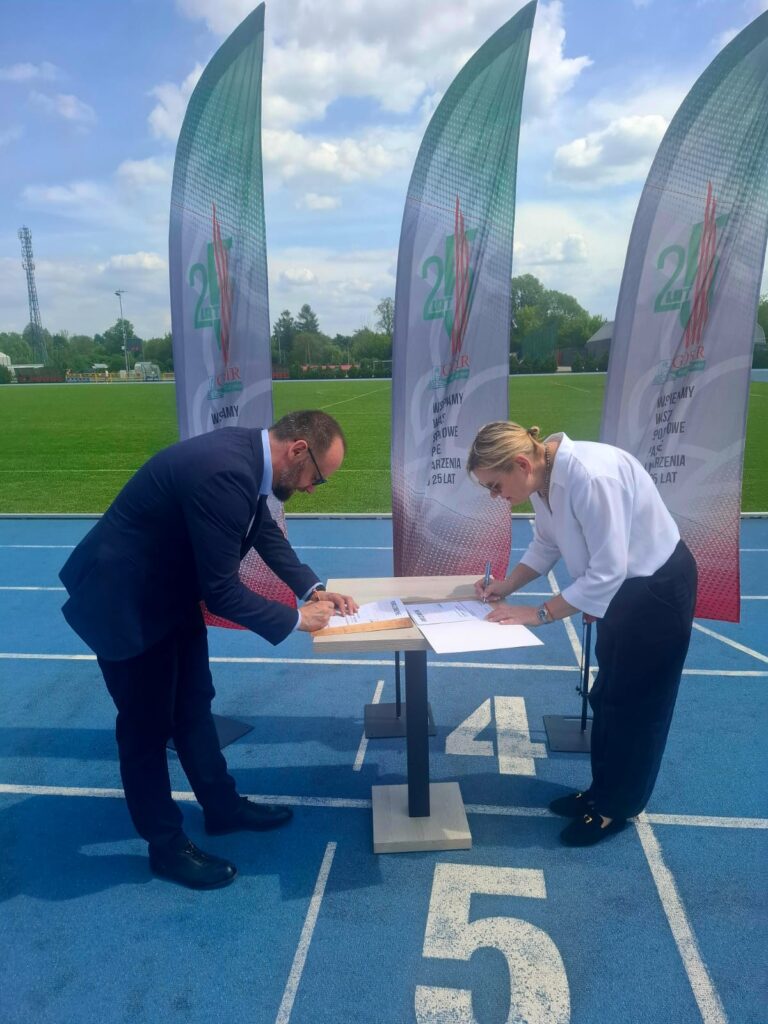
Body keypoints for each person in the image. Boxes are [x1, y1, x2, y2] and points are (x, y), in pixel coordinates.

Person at [60, 410, 358, 888]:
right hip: (124, 601)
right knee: (145, 729)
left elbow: (261, 528)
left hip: (168, 592)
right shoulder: (225, 471)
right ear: (298, 449)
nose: (311, 490)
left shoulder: (250, 460)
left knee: (194, 705)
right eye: (317, 478)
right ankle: (165, 846)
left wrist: (311, 589)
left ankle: (221, 807)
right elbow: (221, 591)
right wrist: (296, 619)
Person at [467, 422, 697, 847]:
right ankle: (600, 791)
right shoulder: (543, 480)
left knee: (636, 707)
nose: (495, 497)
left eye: (495, 486)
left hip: (656, 591)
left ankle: (615, 809)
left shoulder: (591, 477)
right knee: (607, 697)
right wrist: (506, 585)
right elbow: (546, 544)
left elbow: (607, 572)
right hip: (623, 589)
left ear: (521, 464)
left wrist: (538, 613)